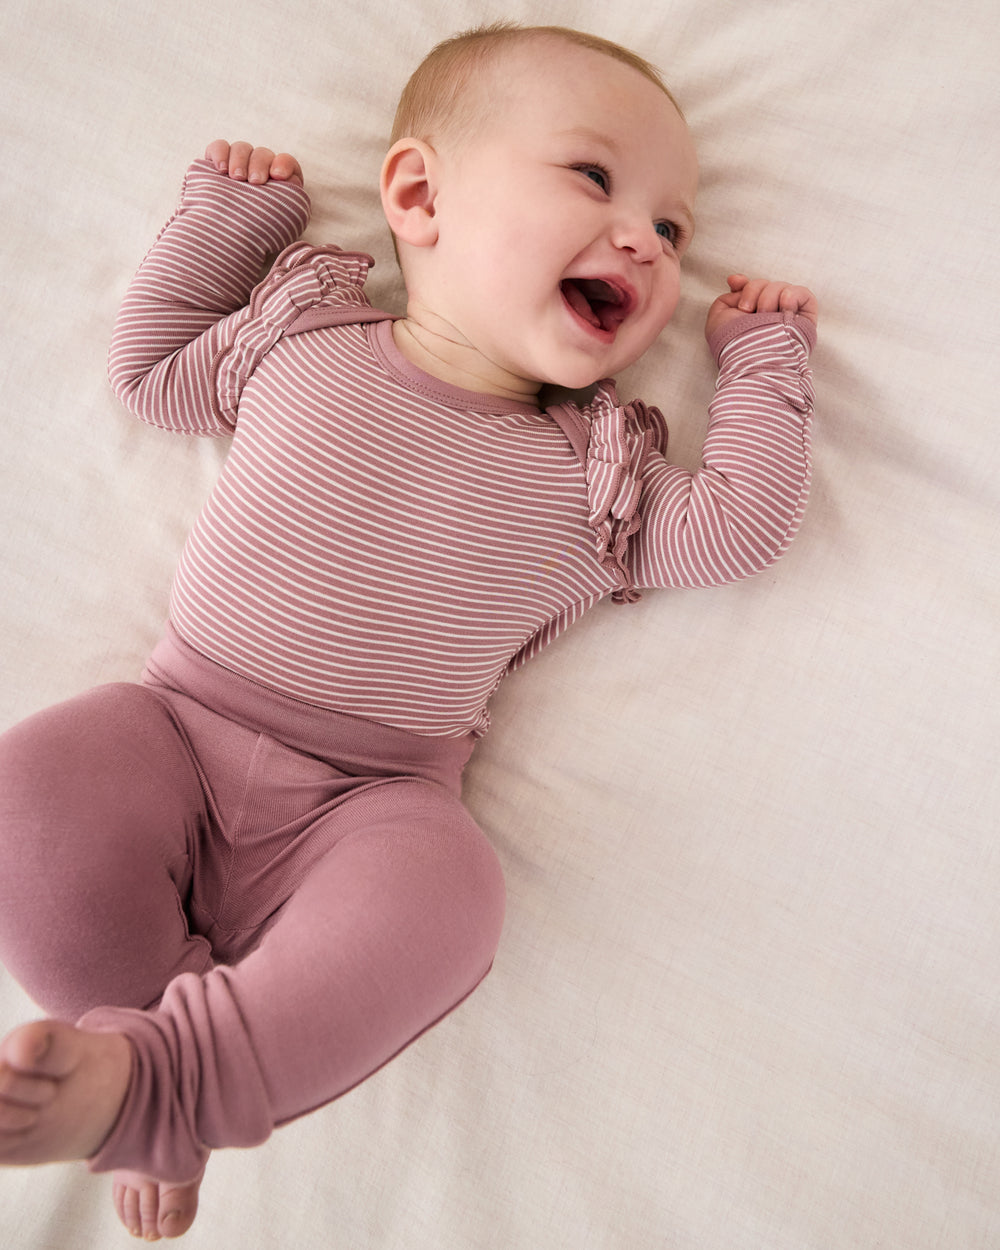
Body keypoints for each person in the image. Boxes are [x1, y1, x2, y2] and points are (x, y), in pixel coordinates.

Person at [0, 21, 817, 1242]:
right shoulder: (303, 338)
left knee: (450, 895)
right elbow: (153, 371)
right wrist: (230, 223)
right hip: (173, 726)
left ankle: (166, 1080)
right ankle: (152, 1071)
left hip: (370, 800)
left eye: (675, 228)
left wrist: (762, 366)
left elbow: (736, 525)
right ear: (420, 194)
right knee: (31, 790)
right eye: (593, 179)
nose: (647, 239)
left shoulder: (591, 468)